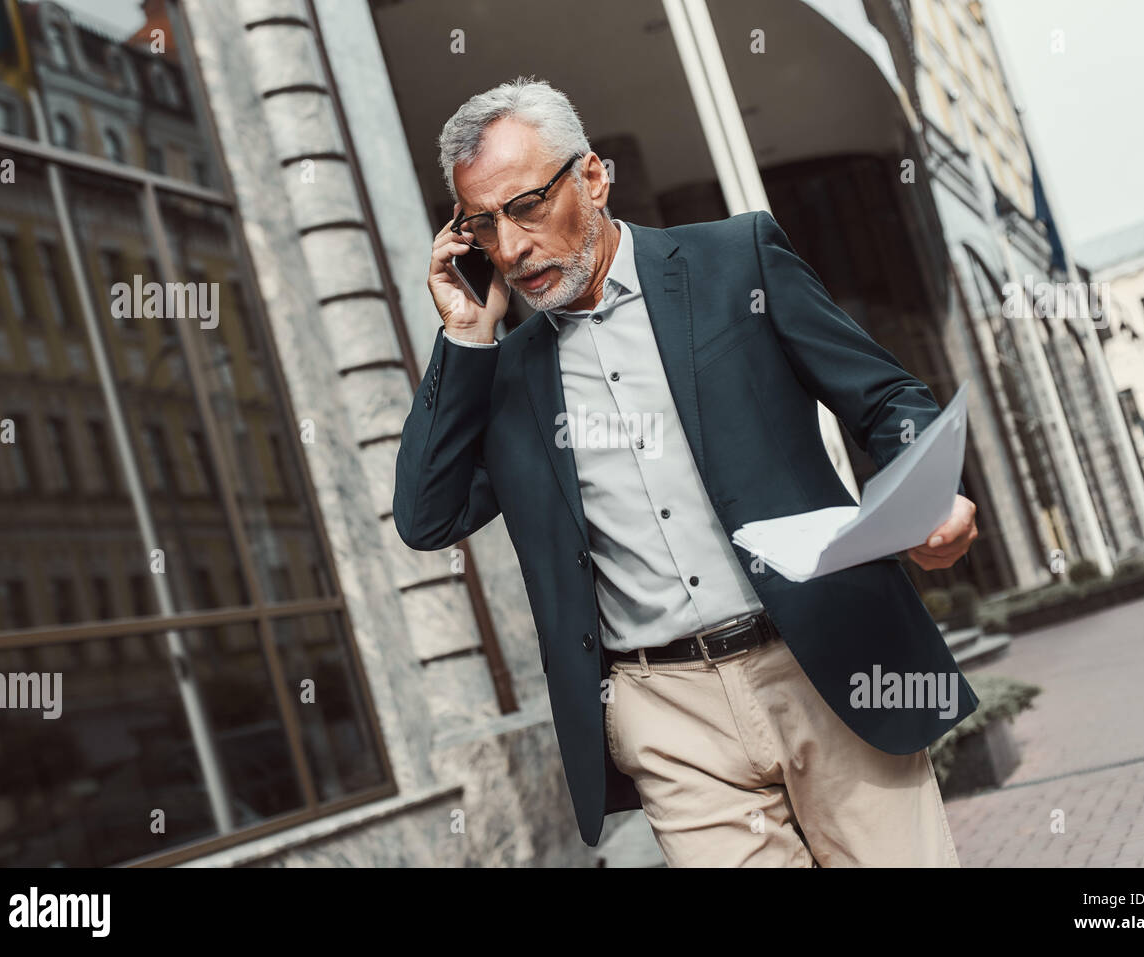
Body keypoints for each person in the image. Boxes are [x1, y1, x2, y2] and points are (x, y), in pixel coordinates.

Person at [394, 77, 980, 867]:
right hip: (668, 718)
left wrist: (926, 491)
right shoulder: (500, 376)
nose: (509, 247)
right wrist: (465, 335)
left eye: (528, 205)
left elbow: (887, 399)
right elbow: (426, 516)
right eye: (482, 225)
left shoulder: (736, 262)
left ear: (592, 177)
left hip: (826, 660)